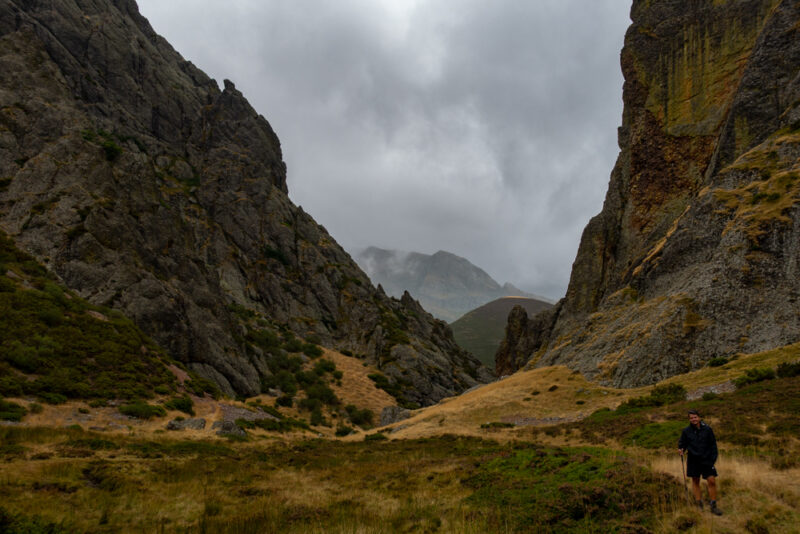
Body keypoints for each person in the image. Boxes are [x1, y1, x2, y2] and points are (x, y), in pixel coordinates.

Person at [678, 409, 723, 515]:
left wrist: (712, 459)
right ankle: (699, 503)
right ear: (689, 419)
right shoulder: (686, 431)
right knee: (695, 481)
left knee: (711, 481)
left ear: (699, 417)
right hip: (693, 460)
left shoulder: (707, 429)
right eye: (691, 418)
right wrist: (681, 449)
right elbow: (682, 444)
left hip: (707, 460)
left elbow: (713, 445)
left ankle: (713, 505)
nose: (693, 419)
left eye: (695, 417)